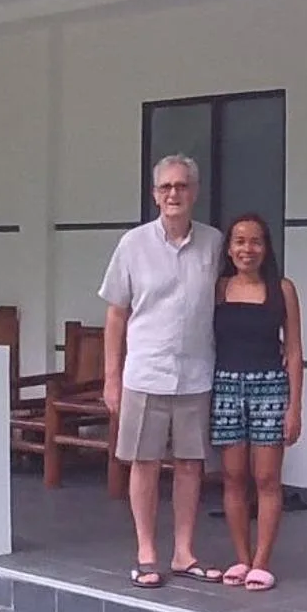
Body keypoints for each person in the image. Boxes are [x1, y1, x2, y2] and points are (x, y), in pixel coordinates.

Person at [100, 154, 227, 589]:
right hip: (145, 373)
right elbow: (116, 316)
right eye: (166, 187)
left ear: (195, 192)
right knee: (145, 462)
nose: (174, 194)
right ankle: (147, 552)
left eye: (182, 186)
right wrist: (111, 379)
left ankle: (185, 552)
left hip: (196, 373)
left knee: (191, 464)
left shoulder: (214, 243)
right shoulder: (133, 245)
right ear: (155, 194)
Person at [211, 213, 303, 591]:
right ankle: (241, 558)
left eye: (255, 241)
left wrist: (294, 407)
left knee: (267, 478)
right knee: (233, 477)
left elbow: (295, 351)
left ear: (266, 248)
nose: (247, 249)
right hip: (225, 387)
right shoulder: (217, 288)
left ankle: (262, 561)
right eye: (239, 241)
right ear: (229, 248)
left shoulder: (282, 289)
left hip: (270, 387)